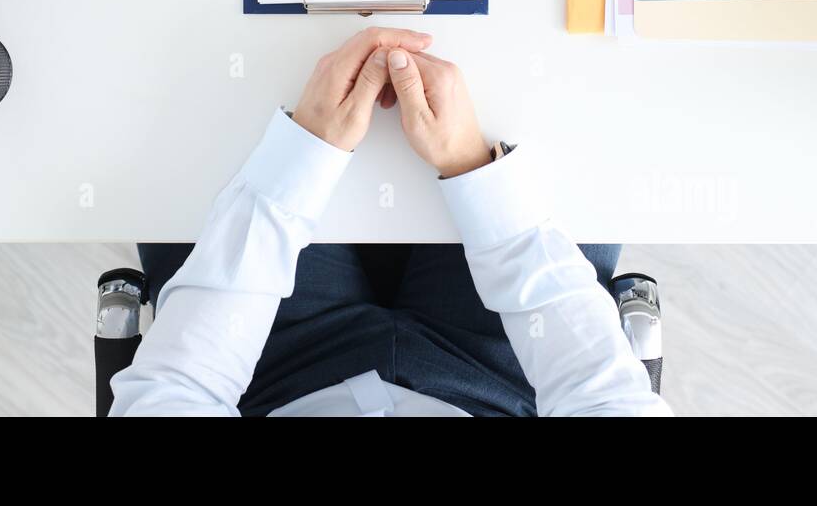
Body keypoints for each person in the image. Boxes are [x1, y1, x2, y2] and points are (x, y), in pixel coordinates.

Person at [109, 28, 670, 416]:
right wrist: (477, 170)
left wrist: (302, 155)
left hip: (270, 372)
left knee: (197, 111)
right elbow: (603, 400)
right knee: (573, 90)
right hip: (498, 379)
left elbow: (175, 393)